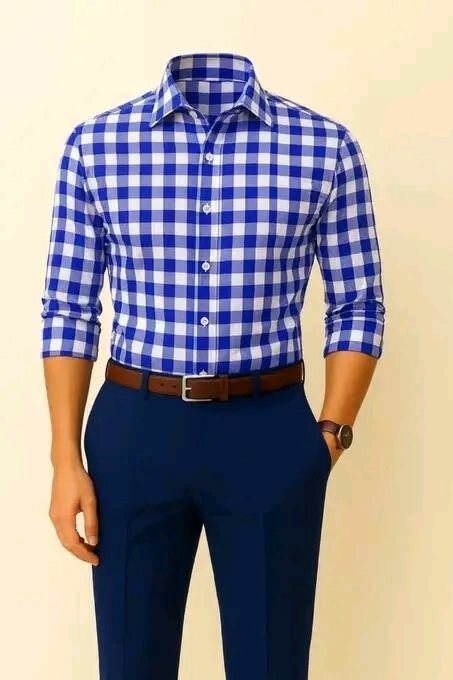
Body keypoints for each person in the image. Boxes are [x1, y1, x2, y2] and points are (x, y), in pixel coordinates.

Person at [40, 52, 385, 680]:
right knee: (130, 664)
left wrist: (332, 433)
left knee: (271, 664)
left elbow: (357, 302)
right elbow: (68, 307)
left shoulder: (325, 147)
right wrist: (65, 458)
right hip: (135, 431)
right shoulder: (96, 145)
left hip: (269, 431)